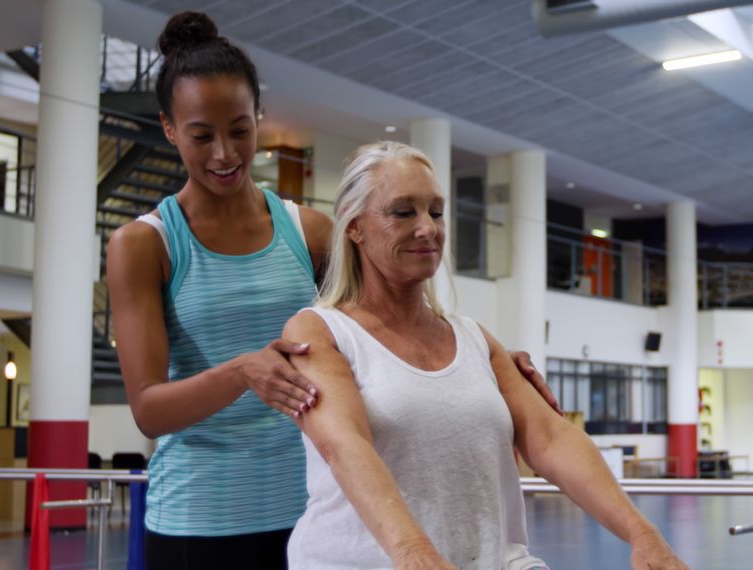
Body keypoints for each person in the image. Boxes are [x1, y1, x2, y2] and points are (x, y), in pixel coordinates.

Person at [106, 12, 555, 569]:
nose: (224, 153)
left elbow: (386, 331)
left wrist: (486, 367)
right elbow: (149, 410)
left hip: (318, 516)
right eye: (201, 135)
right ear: (170, 129)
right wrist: (244, 371)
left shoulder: (309, 232)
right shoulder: (143, 245)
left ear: (259, 118)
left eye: (240, 130)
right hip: (200, 520)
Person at [283, 141, 688, 569]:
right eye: (403, 212)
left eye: (435, 212)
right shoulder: (319, 332)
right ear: (355, 227)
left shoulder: (475, 339)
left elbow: (550, 438)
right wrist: (413, 553)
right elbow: (345, 447)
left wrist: (642, 533)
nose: (427, 228)